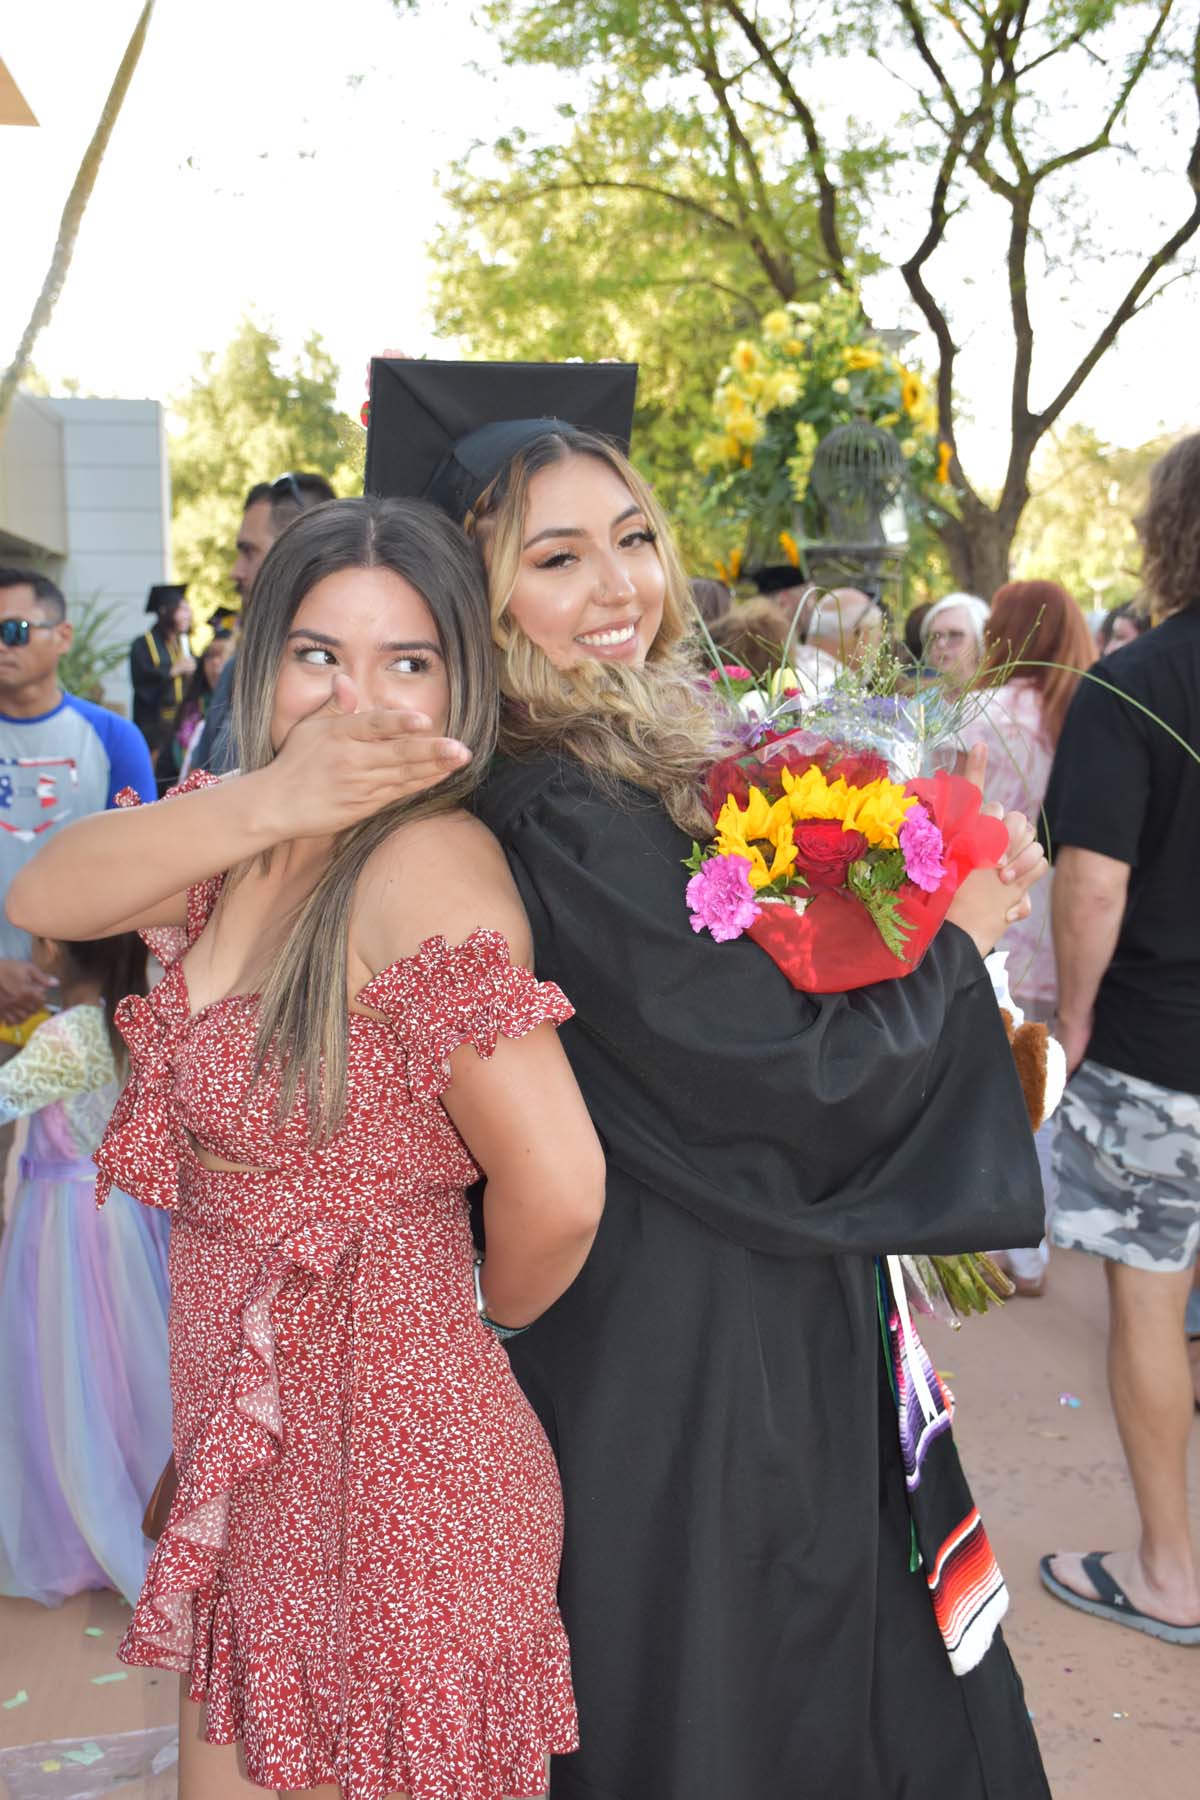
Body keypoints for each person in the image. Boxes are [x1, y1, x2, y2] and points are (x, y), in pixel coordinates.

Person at [365, 364, 1052, 1799]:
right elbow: (772, 1072)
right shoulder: (554, 796)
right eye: (555, 558)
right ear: (481, 598)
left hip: (716, 1276)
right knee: (730, 1677)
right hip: (685, 1322)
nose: (618, 584)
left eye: (631, 536)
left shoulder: (627, 752)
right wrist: (964, 946)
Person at [8, 496, 605, 1800]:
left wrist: (460, 1332)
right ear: (265, 656)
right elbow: (46, 892)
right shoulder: (242, 838)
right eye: (321, 655)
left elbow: (559, 1191)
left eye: (408, 661)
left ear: (460, 680)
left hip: (403, 1490)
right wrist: (270, 801)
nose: (360, 700)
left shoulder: (423, 866)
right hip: (253, 1471)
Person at [1039, 433, 1200, 1647]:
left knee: (1150, 1305)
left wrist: (1076, 1015)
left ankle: (1169, 1574)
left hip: (1161, 1048)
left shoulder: (1139, 683)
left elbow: (1092, 883)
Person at [0, 929, 170, 1608]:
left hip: (66, 1222)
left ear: (51, 952)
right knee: (119, 1361)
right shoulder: (128, 1022)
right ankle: (133, 1498)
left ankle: (76, 1531)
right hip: (119, 1215)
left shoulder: (65, 1038)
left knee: (69, 1367)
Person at [0, 568, 155, 1213]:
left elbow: (146, 874)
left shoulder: (114, 739)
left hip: (89, 1010)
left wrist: (100, 987)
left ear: (62, 636)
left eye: (12, 629)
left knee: (82, 1184)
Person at [959, 579, 1097, 1294]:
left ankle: (1002, 1242)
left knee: (995, 1082)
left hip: (996, 911)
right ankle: (1034, 1245)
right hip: (1064, 914)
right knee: (1043, 1079)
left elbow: (946, 814)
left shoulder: (983, 714)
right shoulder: (1083, 711)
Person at [192, 472, 337, 775]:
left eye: (249, 552)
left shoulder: (356, 684)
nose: (236, 572)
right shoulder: (236, 672)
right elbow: (196, 792)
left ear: (296, 554)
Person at [130, 586, 195, 787]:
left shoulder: (182, 644)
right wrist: (171, 671)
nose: (188, 614)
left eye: (188, 609)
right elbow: (142, 681)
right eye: (182, 609)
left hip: (179, 727)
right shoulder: (142, 645)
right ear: (165, 611)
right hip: (154, 730)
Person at [170, 629, 234, 782]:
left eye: (223, 655)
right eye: (210, 656)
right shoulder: (191, 708)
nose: (215, 662)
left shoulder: (239, 714)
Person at [920, 591, 990, 687]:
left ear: (981, 640)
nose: (941, 643)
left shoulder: (1000, 699)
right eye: (934, 636)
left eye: (954, 635)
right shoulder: (919, 701)